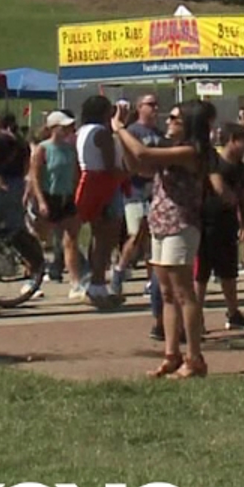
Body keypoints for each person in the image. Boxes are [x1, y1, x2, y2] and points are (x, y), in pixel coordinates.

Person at [116, 100, 216, 379]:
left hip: (181, 224)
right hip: (160, 223)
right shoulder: (169, 150)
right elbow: (138, 165)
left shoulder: (191, 151)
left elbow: (142, 152)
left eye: (175, 119)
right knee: (167, 293)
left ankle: (194, 357)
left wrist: (121, 128)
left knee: (184, 293)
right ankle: (171, 354)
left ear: (189, 125)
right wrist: (121, 137)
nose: (168, 121)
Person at [197, 123, 244, 332]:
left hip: (227, 225)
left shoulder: (240, 167)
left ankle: (233, 313)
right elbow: (221, 191)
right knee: (201, 275)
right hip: (206, 224)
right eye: (243, 141)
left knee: (229, 273)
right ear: (232, 140)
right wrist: (230, 198)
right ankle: (196, 319)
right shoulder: (216, 163)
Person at [111, 94, 164, 300]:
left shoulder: (159, 134)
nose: (155, 108)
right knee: (136, 234)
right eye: (150, 104)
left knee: (153, 236)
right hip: (135, 190)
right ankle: (119, 271)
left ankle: (152, 282)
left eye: (156, 104)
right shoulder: (132, 131)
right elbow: (128, 161)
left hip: (156, 190)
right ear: (139, 107)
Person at [72, 96, 123, 306]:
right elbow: (110, 164)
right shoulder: (102, 133)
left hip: (88, 182)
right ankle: (98, 284)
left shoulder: (80, 132)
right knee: (106, 238)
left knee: (97, 236)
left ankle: (96, 283)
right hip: (105, 184)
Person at [27, 111, 83, 293]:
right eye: (63, 127)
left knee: (71, 241)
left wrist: (77, 195)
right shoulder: (43, 149)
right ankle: (33, 280)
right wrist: (40, 201)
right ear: (53, 128)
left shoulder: (70, 149)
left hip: (66, 197)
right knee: (41, 240)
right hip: (48, 196)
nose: (67, 130)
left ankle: (75, 282)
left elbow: (75, 174)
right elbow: (35, 176)